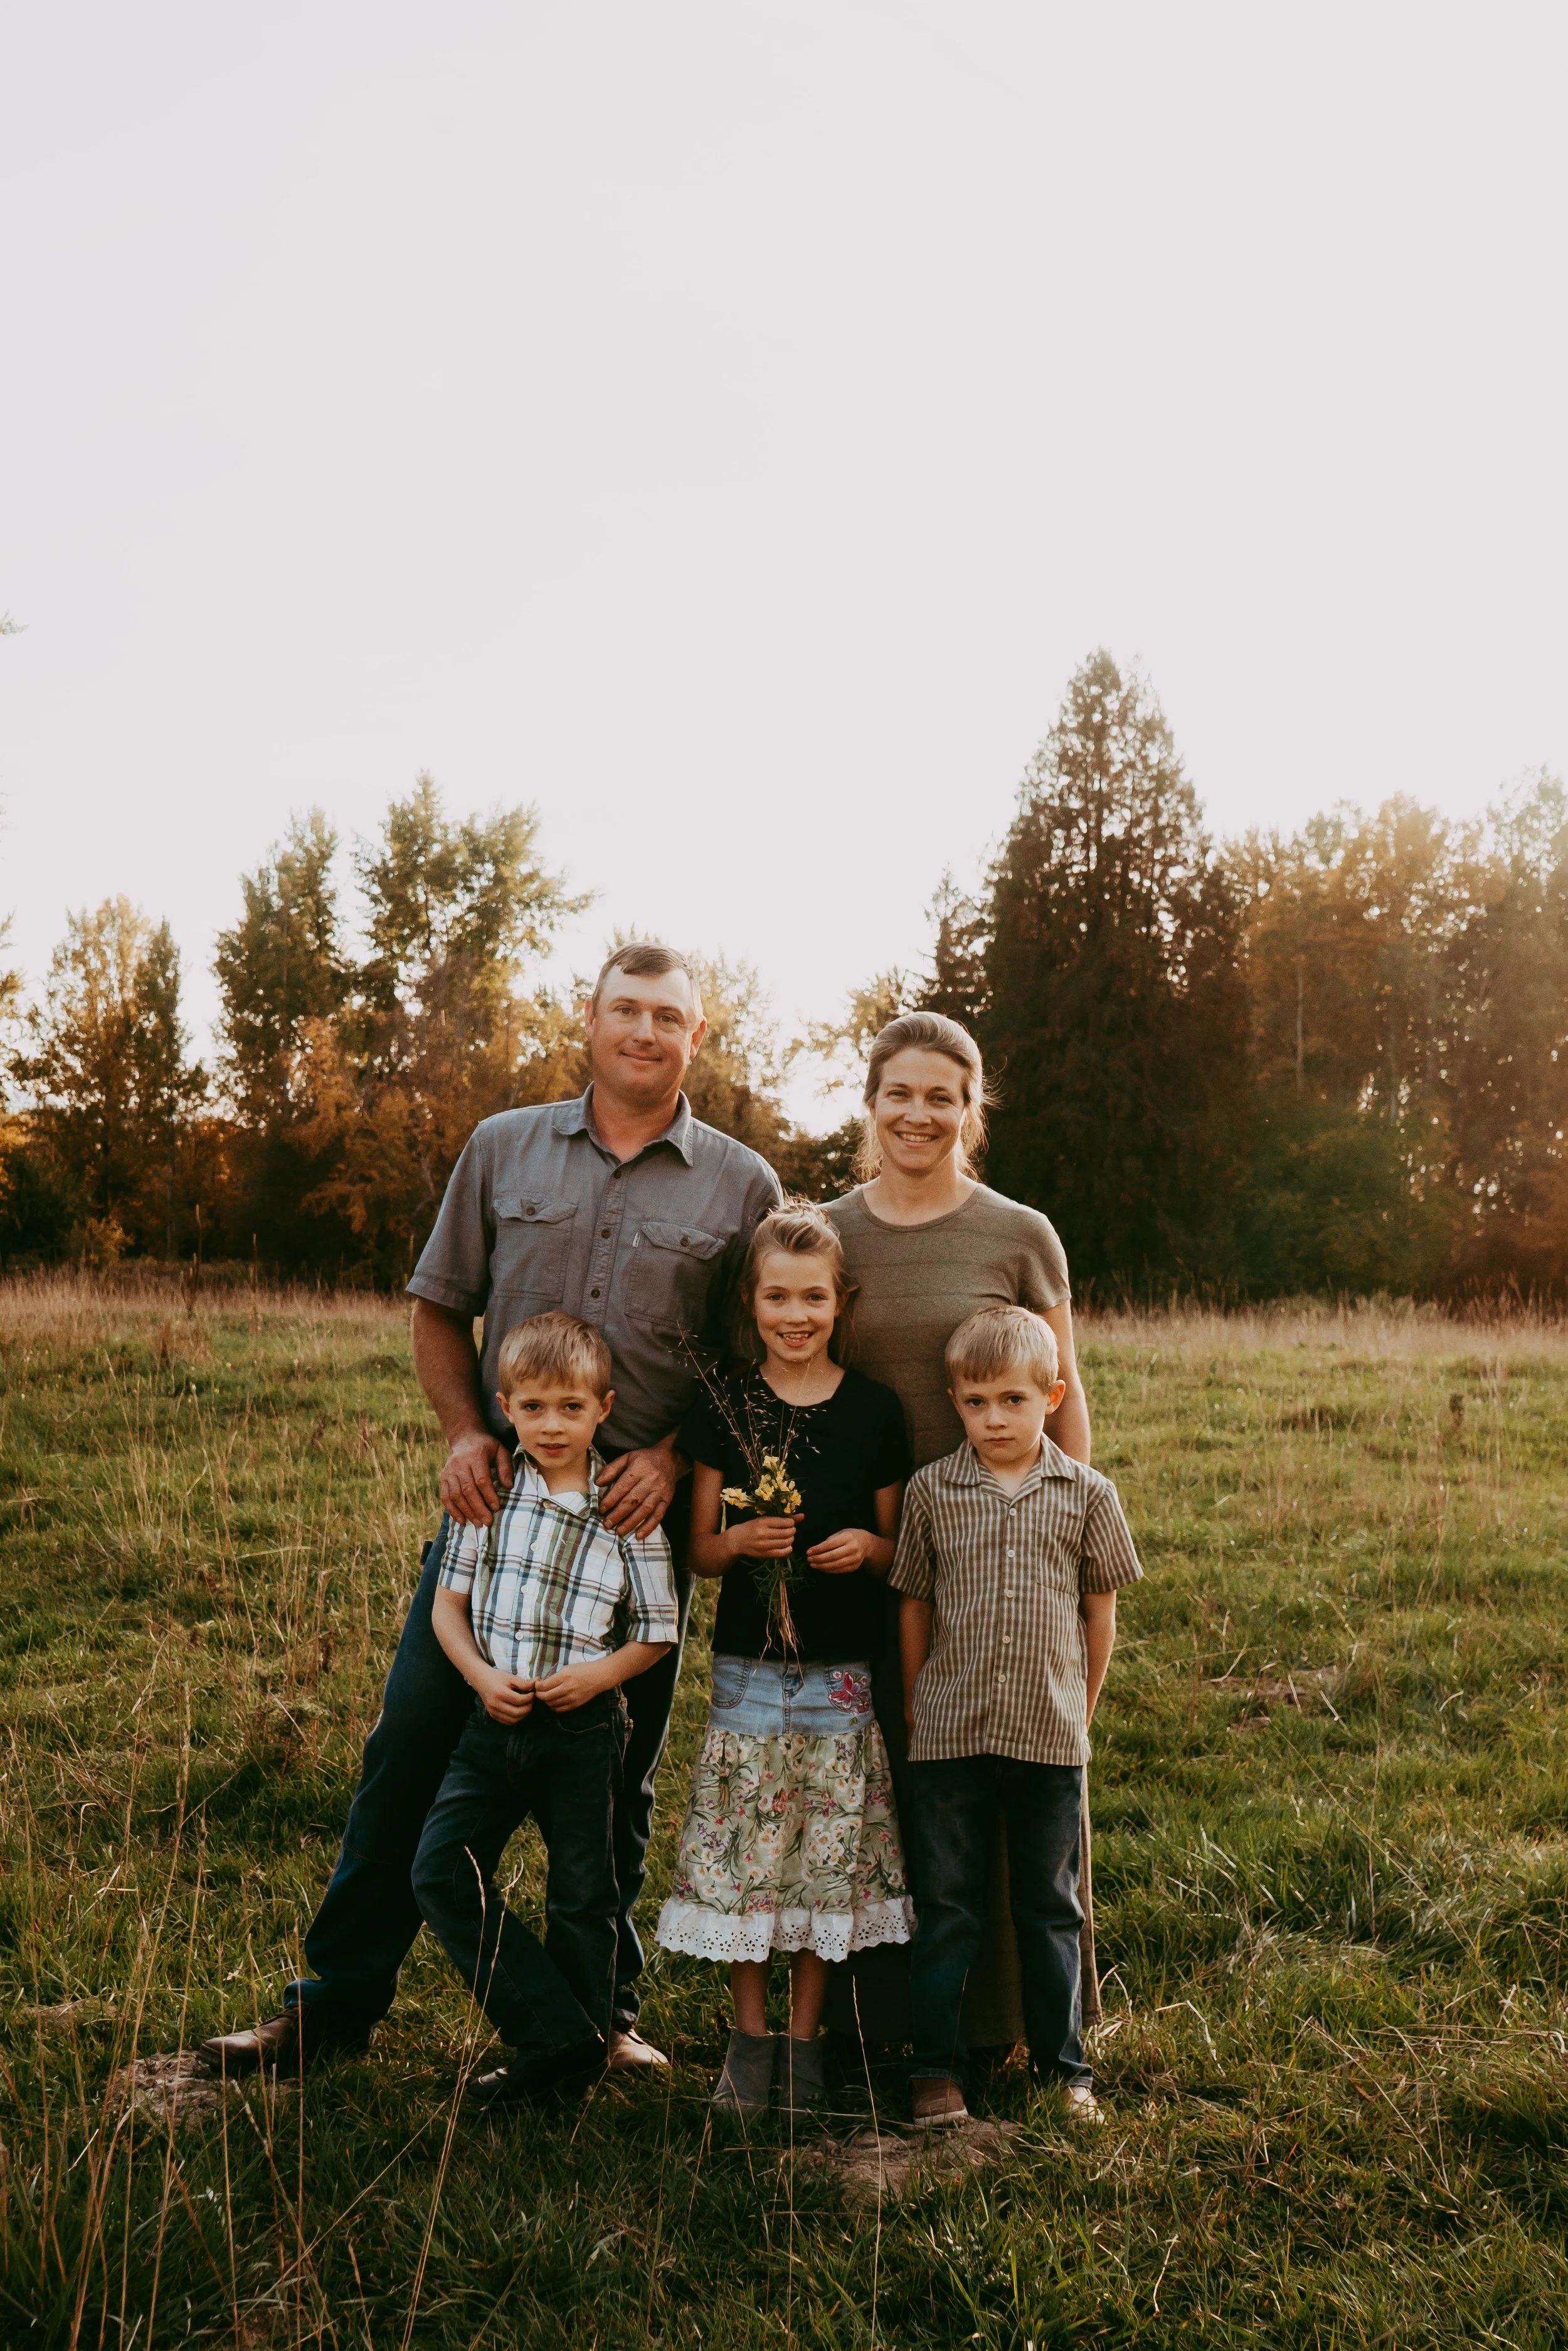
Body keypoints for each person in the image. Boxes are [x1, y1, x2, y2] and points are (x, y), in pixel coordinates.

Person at [201, 944, 781, 2080]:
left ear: (697, 1038)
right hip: (500, 1517)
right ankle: (330, 2006)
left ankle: (594, 2020)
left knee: (610, 1783)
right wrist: (467, 1433)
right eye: (627, 1009)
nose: (646, 1032)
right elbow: (439, 1304)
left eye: (671, 1016)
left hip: (631, 1529)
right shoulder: (503, 1145)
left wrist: (670, 1453)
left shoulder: (740, 1183)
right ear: (591, 1017)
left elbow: (747, 1361)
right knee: (412, 1744)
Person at [821, 1007, 1095, 2054]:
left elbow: (1066, 1395)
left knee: (1016, 1776)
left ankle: (1027, 2029)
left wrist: (1072, 1532)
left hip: (1010, 1555)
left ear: (972, 1108)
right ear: (873, 1100)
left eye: (943, 1094)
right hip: (875, 1550)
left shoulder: (1020, 1234)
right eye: (902, 1092)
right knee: (891, 1781)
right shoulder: (831, 1229)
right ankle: (881, 2026)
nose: (920, 1112)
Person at [654, 1204, 913, 2120]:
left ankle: (807, 2049)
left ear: (839, 1302)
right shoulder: (725, 1404)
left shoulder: (874, 1409)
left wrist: (862, 1551)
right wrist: (743, 1540)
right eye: (776, 1297)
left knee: (824, 1854)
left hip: (843, 1672)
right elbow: (699, 1551)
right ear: (752, 1303)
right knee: (746, 1858)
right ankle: (748, 2045)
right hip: (748, 1674)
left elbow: (896, 1548)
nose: (794, 1315)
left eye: (812, 1297)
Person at [415, 1313, 678, 2106]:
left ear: (603, 1406)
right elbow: (446, 1608)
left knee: (581, 1896)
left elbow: (660, 1631)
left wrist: (599, 1678)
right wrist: (479, 1678)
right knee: (440, 1870)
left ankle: (575, 2055)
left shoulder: (624, 1504)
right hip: (492, 1721)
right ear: (506, 1406)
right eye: (533, 1408)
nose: (552, 1424)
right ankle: (556, 2029)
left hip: (583, 1730)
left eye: (570, 1406)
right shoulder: (491, 1495)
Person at [892, 1305, 1142, 2126]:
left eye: (1012, 1400)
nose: (993, 1419)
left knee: (1049, 1908)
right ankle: (935, 2068)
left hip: (1048, 1732)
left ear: (1051, 1397)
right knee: (949, 1907)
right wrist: (916, 1703)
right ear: (954, 1401)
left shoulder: (1087, 1493)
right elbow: (915, 1605)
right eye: (974, 1402)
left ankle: (1064, 2070)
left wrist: (1083, 1710)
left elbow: (1098, 1612)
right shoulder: (933, 1491)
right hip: (950, 1733)